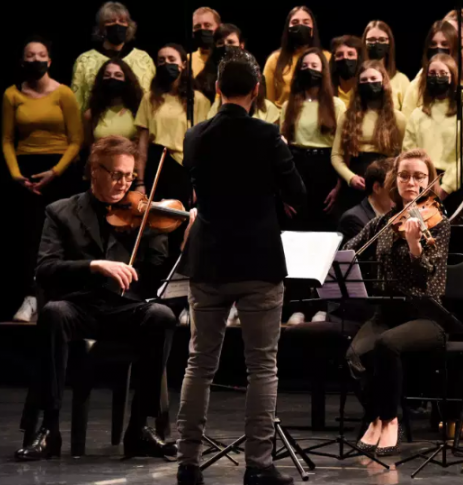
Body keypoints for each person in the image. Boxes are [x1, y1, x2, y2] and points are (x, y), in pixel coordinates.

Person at [176, 49, 305, 485]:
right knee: (262, 366)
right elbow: (297, 194)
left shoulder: (195, 136)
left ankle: (188, 462)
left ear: (216, 89)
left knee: (200, 363)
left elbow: (191, 189)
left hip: (210, 260)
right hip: (258, 260)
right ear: (256, 90)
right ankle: (258, 464)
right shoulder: (268, 136)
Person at [14, 136, 178, 462]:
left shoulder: (140, 214)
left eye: (129, 176)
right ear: (94, 170)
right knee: (54, 313)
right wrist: (93, 265)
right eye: (116, 174)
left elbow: (157, 273)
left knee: (161, 316)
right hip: (79, 306)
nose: (123, 183)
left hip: (123, 308)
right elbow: (45, 269)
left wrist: (157, 232)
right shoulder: (61, 212)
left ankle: (139, 430)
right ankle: (49, 430)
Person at [344, 148, 450, 457]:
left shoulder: (437, 221)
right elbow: (351, 249)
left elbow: (429, 270)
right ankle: (377, 414)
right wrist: (349, 255)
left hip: (426, 314)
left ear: (429, 181)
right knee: (355, 354)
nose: (411, 182)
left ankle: (391, 420)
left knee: (386, 345)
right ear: (395, 179)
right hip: (387, 312)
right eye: (404, 175)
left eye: (419, 176)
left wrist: (416, 245)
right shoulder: (386, 221)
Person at [3, 37, 83, 323]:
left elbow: (76, 140)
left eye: (41, 55)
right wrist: (16, 174)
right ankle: (30, 298)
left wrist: (56, 172)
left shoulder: (63, 94)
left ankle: (61, 300)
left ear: (49, 61)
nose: (36, 60)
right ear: (23, 61)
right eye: (30, 56)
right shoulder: (12, 94)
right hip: (25, 173)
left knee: (63, 235)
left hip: (58, 171)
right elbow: (7, 139)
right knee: (29, 237)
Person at [134, 43, 211, 207]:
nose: (166, 63)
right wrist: (140, 182)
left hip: (183, 168)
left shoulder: (198, 100)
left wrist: (199, 183)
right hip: (156, 165)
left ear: (183, 64)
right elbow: (142, 144)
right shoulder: (149, 98)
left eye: (171, 59)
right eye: (161, 60)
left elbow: (203, 145)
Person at [403, 54, 463, 214]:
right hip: (422, 187)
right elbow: (408, 154)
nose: (437, 78)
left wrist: (446, 187)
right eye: (432, 74)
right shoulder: (417, 114)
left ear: (453, 77)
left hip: (456, 187)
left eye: (443, 74)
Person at [280, 48, 347, 231]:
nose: (309, 69)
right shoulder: (289, 106)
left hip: (325, 169)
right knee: (296, 227)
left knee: (324, 228)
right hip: (297, 168)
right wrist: (284, 192)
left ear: (323, 71)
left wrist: (339, 187)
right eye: (305, 66)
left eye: (314, 65)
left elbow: (342, 149)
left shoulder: (336, 105)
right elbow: (282, 148)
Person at [332, 61, 407, 212]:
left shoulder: (397, 118)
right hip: (356, 183)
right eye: (364, 80)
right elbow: (336, 155)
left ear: (383, 82)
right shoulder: (348, 117)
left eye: (374, 79)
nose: (369, 83)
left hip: (385, 184)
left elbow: (404, 156)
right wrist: (350, 178)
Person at [71, 2, 155, 113]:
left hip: (138, 126)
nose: (117, 25)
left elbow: (153, 96)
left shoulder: (143, 58)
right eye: (110, 21)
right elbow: (76, 102)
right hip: (96, 126)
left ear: (128, 26)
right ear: (102, 28)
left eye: (122, 21)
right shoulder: (85, 60)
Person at [401, 21, 463, 118]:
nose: (438, 48)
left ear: (455, 49)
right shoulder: (416, 86)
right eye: (433, 44)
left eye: (444, 44)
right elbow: (408, 123)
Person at [264, 6, 330, 108]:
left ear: (313, 29)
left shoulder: (327, 57)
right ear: (288, 29)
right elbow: (267, 103)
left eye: (306, 22)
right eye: (295, 23)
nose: (300, 26)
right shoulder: (274, 60)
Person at [83, 59, 143, 144]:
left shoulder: (138, 112)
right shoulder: (91, 115)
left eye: (118, 75)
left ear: (127, 80)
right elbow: (88, 145)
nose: (112, 78)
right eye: (107, 75)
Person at [338, 157, 394, 243]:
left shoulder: (397, 213)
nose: (399, 191)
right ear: (377, 188)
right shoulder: (353, 219)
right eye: (393, 185)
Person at [362, 20, 410, 110]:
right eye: (371, 40)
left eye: (382, 40)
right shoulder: (357, 79)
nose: (376, 43)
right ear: (364, 43)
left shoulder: (401, 81)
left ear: (389, 44)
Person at [330, 35, 365, 107]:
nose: (345, 58)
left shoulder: (366, 92)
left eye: (350, 54)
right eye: (339, 55)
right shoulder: (327, 93)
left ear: (359, 58)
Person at [191, 7, 222, 77]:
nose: (202, 29)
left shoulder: (228, 58)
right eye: (197, 26)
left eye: (207, 25)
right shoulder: (187, 61)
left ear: (219, 28)